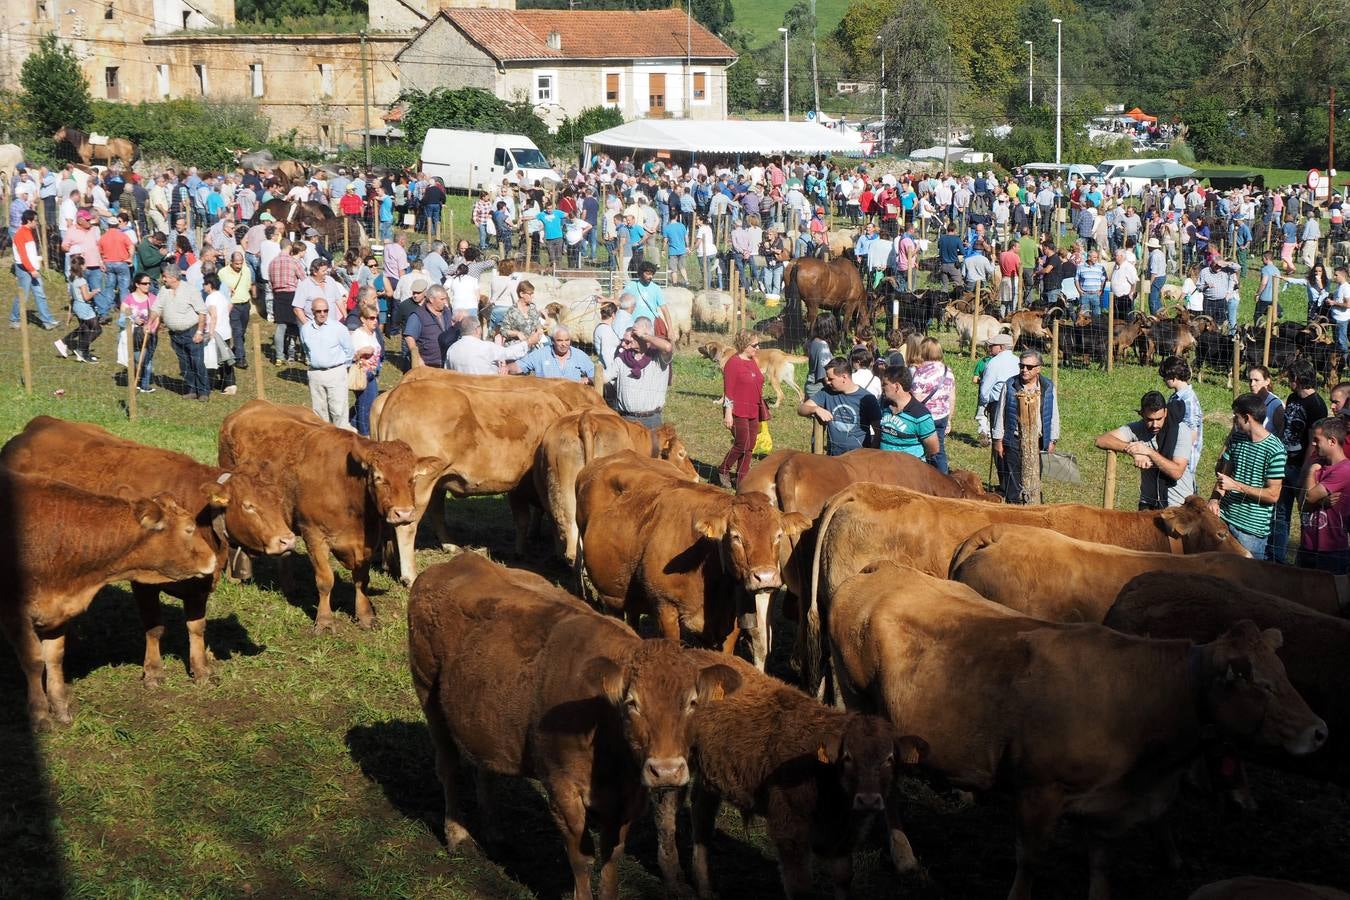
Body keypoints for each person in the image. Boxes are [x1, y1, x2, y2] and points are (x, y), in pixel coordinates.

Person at [1209, 392, 1287, 559]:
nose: (1234, 421)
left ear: (1246, 418)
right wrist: (1214, 499)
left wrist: (1236, 486)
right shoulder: (1236, 439)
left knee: (1247, 581)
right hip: (1225, 520)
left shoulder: (1275, 450)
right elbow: (1224, 476)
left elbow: (1273, 495)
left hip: (1250, 532)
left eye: (1235, 417)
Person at [1268, 359, 1328, 562]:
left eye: (1290, 378)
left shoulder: (1317, 406)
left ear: (1299, 379)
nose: (1288, 382)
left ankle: (1306, 558)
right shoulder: (1293, 398)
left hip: (1302, 466)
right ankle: (1277, 557)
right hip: (1285, 461)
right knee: (1280, 512)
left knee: (1305, 515)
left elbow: (1313, 441)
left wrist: (1305, 470)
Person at [1094, 390, 1192, 509]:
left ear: (1165, 412)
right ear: (1141, 414)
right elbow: (1101, 440)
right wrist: (1133, 451)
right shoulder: (1137, 428)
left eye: (1159, 419)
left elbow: (1176, 472)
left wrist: (1148, 452)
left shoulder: (1181, 431)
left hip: (1178, 505)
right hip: (1148, 504)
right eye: (1149, 419)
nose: (1155, 424)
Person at [992, 350, 1059, 504]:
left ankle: (1032, 504)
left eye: (1029, 367)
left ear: (1038, 368)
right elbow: (1000, 412)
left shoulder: (1047, 386)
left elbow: (1053, 413)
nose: (1024, 370)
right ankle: (1014, 505)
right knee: (1013, 476)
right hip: (1014, 438)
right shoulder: (1010, 385)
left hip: (1038, 440)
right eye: (1022, 366)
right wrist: (997, 439)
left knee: (1034, 475)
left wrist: (1053, 439)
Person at [147, 267, 210, 401]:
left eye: (165, 277)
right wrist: (149, 322)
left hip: (192, 331)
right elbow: (156, 308)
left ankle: (203, 391)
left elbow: (202, 312)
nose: (163, 279)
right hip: (175, 334)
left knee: (197, 362)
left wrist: (199, 331)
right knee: (184, 363)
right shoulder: (164, 290)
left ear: (173, 278)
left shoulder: (190, 290)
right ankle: (192, 389)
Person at [797, 356, 882, 456]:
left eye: (831, 379)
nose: (827, 381)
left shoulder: (867, 398)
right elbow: (801, 409)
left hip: (858, 458)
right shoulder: (827, 393)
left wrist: (872, 452)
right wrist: (816, 409)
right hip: (834, 457)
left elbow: (877, 429)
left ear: (844, 377)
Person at [1298, 417, 1350, 573]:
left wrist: (1312, 470)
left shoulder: (1345, 469)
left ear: (1332, 441)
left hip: (1331, 549)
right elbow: (1302, 505)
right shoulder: (1318, 465)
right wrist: (1322, 501)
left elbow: (1308, 497)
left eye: (1316, 439)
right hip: (1307, 544)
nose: (1313, 443)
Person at [718, 331, 767, 488]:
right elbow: (729, 390)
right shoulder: (733, 363)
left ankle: (741, 479)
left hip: (753, 409)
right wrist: (728, 413)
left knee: (750, 446)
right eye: (754, 345)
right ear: (745, 345)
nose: (757, 348)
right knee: (742, 443)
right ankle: (724, 469)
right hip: (737, 411)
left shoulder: (753, 361)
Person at [299, 296, 354, 426]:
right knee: (319, 412)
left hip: (335, 372)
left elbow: (349, 350)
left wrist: (341, 368)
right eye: (319, 311)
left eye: (326, 310)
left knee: (338, 411)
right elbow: (306, 349)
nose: (322, 314)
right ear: (312, 312)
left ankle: (342, 441)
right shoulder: (305, 329)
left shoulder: (338, 328)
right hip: (315, 374)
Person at [613, 316, 674, 427]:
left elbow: (668, 347)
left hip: (651, 420)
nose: (631, 338)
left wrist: (644, 336)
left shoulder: (658, 357)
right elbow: (604, 377)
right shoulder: (623, 357)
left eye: (635, 335)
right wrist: (588, 380)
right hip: (626, 419)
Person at [878, 365, 940, 465]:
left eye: (885, 384)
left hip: (909, 473)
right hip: (885, 469)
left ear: (897, 387)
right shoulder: (885, 405)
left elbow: (933, 448)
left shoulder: (920, 415)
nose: (882, 388)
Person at [910, 337, 955, 474]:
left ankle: (925, 475)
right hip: (942, 415)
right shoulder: (948, 371)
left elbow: (916, 400)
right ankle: (943, 477)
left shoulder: (920, 373)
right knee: (938, 449)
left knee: (921, 448)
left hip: (925, 418)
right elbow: (951, 397)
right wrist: (949, 419)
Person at [9, 210, 59, 330]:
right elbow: (23, 255)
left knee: (40, 294)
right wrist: (31, 270)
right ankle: (14, 319)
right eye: (35, 220)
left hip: (32, 269)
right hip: (24, 269)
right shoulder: (20, 234)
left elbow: (30, 253)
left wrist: (36, 262)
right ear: (29, 221)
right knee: (23, 296)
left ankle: (48, 321)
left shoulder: (29, 232)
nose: (37, 222)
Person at [443, 312, 534, 374]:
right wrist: (529, 342)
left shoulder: (452, 349)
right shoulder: (485, 347)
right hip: (484, 393)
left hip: (462, 394)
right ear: (477, 329)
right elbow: (509, 353)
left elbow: (448, 372)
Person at [56, 254, 102, 363]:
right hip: (84, 308)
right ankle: (81, 350)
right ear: (80, 266)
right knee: (97, 329)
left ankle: (66, 343)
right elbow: (86, 297)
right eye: (84, 264)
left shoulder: (72, 279)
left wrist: (71, 313)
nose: (86, 266)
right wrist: (94, 292)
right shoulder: (82, 281)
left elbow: (72, 296)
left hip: (77, 306)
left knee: (84, 329)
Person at [510, 326, 595, 383]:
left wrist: (588, 379)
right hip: (547, 400)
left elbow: (596, 375)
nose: (564, 344)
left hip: (573, 399)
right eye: (560, 340)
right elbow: (519, 366)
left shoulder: (580, 355)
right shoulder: (540, 354)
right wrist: (505, 369)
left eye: (567, 340)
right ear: (553, 341)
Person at [977, 332, 1018, 447]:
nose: (990, 348)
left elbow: (985, 389)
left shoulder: (993, 363)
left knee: (997, 434)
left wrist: (985, 403)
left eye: (992, 346)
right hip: (1015, 402)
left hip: (997, 403)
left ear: (1000, 348)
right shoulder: (1018, 360)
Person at [349, 296, 383, 436]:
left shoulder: (373, 333)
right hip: (363, 374)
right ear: (363, 319)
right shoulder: (358, 334)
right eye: (371, 318)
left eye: (376, 318)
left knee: (368, 403)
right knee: (366, 406)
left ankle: (352, 424)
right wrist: (362, 351)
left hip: (372, 374)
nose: (374, 321)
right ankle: (365, 433)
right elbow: (351, 356)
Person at [122, 272, 158, 392]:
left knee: (148, 359)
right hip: (135, 333)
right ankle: (136, 379)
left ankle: (145, 384)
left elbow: (157, 317)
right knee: (138, 358)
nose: (147, 285)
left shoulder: (152, 298)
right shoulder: (130, 297)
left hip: (150, 334)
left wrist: (152, 330)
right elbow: (123, 310)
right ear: (137, 284)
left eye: (149, 283)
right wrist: (133, 318)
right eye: (144, 283)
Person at [218, 250, 254, 369]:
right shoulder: (222, 273)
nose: (239, 266)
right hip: (232, 306)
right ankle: (240, 359)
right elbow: (219, 290)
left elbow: (249, 284)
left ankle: (236, 349)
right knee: (237, 332)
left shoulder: (247, 270)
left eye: (240, 263)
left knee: (242, 331)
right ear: (231, 262)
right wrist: (227, 289)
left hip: (245, 304)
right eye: (236, 264)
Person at [405, 284, 456, 369]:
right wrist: (418, 359)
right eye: (442, 299)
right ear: (431, 299)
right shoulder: (418, 315)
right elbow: (409, 338)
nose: (445, 302)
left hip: (446, 363)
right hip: (427, 364)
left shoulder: (447, 311)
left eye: (445, 299)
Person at [201, 272, 236, 395]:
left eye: (204, 284)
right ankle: (229, 384)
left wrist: (210, 333)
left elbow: (213, 316)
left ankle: (209, 385)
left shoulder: (210, 298)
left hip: (216, 333)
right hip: (225, 331)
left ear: (210, 285)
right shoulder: (221, 295)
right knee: (226, 358)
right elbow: (228, 309)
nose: (203, 286)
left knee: (212, 360)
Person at [1246, 365, 1285, 435]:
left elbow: (1281, 434)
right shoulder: (1247, 400)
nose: (1252, 384)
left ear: (1267, 381)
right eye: (1250, 380)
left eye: (1256, 380)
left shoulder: (1276, 405)